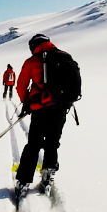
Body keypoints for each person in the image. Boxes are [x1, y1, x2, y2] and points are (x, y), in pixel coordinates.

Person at [14, 34, 70, 200]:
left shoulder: (32, 61)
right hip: (60, 108)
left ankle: (23, 182)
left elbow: (21, 85)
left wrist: (26, 102)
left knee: (34, 144)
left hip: (40, 109)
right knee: (52, 143)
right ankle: (48, 175)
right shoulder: (64, 57)